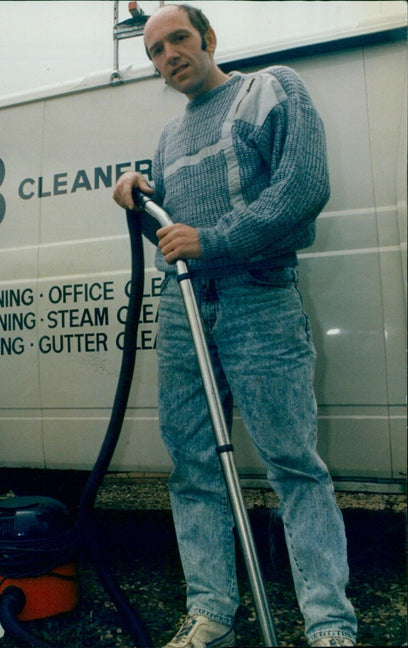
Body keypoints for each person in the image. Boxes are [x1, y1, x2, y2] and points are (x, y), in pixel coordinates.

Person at [112, 5, 356, 648]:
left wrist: (214, 241)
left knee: (292, 462)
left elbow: (304, 186)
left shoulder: (269, 89)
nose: (169, 56)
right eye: (157, 51)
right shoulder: (168, 137)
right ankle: (212, 613)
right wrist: (139, 196)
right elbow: (171, 237)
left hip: (259, 298)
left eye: (179, 40)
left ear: (209, 39)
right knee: (192, 463)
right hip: (183, 306)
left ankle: (329, 622)